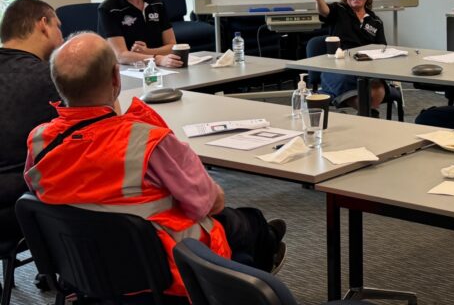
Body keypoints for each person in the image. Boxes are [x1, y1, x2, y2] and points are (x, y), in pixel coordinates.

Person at [23, 33, 286, 297]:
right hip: (158, 270)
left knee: (243, 226)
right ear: (116, 77)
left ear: (58, 85)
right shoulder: (146, 140)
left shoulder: (39, 140)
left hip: (83, 266)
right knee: (245, 222)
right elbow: (207, 203)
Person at [0, 0, 63, 241]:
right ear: (43, 25)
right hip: (25, 206)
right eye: (58, 26)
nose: (61, 35)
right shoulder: (51, 77)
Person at [310, 0, 388, 110]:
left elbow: (382, 49)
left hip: (365, 70)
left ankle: (365, 115)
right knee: (347, 83)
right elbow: (324, 11)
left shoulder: (376, 21)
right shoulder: (338, 10)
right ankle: (367, 116)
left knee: (378, 87)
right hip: (337, 69)